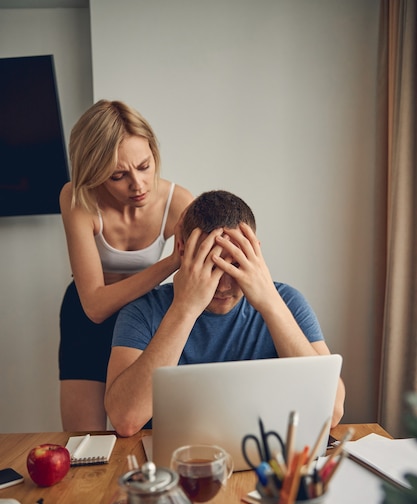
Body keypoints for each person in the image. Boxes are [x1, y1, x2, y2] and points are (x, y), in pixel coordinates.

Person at [105, 190, 345, 437]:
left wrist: (270, 304)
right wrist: (185, 310)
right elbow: (125, 419)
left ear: (255, 255)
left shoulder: (287, 303)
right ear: (182, 250)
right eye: (210, 265)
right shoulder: (143, 311)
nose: (223, 286)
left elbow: (333, 410)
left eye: (236, 265)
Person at [59, 100, 194, 431]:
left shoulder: (178, 203)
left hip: (145, 318)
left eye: (144, 166)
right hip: (86, 320)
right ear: (94, 172)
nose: (138, 185)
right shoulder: (77, 198)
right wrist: (169, 264)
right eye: (118, 175)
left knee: (144, 434)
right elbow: (94, 305)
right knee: (83, 442)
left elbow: (198, 285)